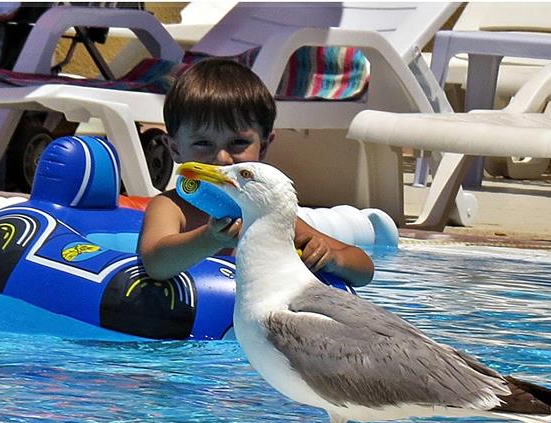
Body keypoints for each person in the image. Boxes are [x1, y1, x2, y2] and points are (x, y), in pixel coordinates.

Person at [137, 58, 374, 287]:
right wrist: (210, 238)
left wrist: (332, 258)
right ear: (175, 149)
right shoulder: (171, 207)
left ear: (264, 146)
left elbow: (364, 269)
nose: (222, 159)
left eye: (238, 142)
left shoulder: (266, 213)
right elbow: (155, 264)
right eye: (202, 143)